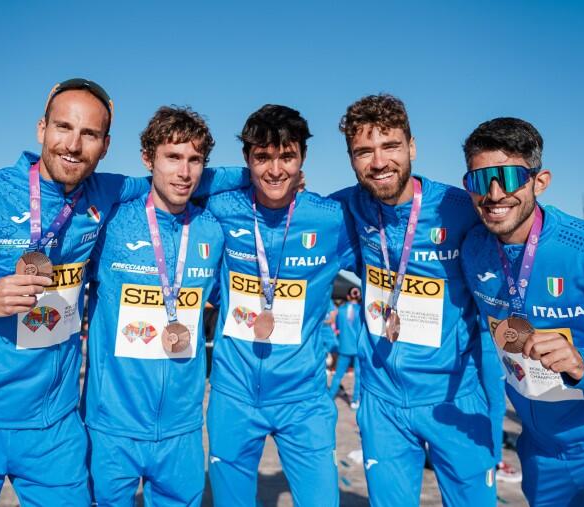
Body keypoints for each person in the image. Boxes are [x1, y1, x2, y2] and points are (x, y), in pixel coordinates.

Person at [0, 79, 246, 506]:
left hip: (53, 425)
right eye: (64, 127)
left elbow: (182, 179)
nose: (74, 146)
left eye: (89, 134)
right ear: (42, 128)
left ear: (105, 145)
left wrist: (266, 178)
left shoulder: (104, 193)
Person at [460, 117, 584, 506]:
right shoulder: (473, 250)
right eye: (480, 179)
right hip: (542, 449)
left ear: (539, 182)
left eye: (509, 178)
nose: (494, 193)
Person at [331, 94, 501, 506]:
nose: (378, 162)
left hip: (455, 399)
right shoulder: (346, 207)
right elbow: (265, 191)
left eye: (390, 146)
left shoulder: (459, 209)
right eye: (364, 151)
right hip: (383, 403)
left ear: (412, 146)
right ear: (351, 159)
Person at [205, 105, 359, 507]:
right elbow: (179, 180)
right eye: (262, 157)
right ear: (246, 160)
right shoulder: (221, 209)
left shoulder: (331, 219)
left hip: (303, 400)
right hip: (234, 396)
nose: (275, 170)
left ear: (303, 158)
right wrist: (241, 177)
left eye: (287, 156)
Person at [83, 106, 224, 506]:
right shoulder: (111, 223)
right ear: (148, 159)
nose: (184, 172)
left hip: (181, 430)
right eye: (173, 157)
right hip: (111, 427)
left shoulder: (211, 231)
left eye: (195, 160)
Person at [328, 286, 363, 409]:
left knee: (338, 374)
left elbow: (337, 327)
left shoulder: (341, 310)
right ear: (359, 296)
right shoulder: (362, 310)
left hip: (344, 346)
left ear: (348, 296)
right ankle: (355, 400)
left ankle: (330, 396)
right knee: (358, 375)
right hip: (358, 347)